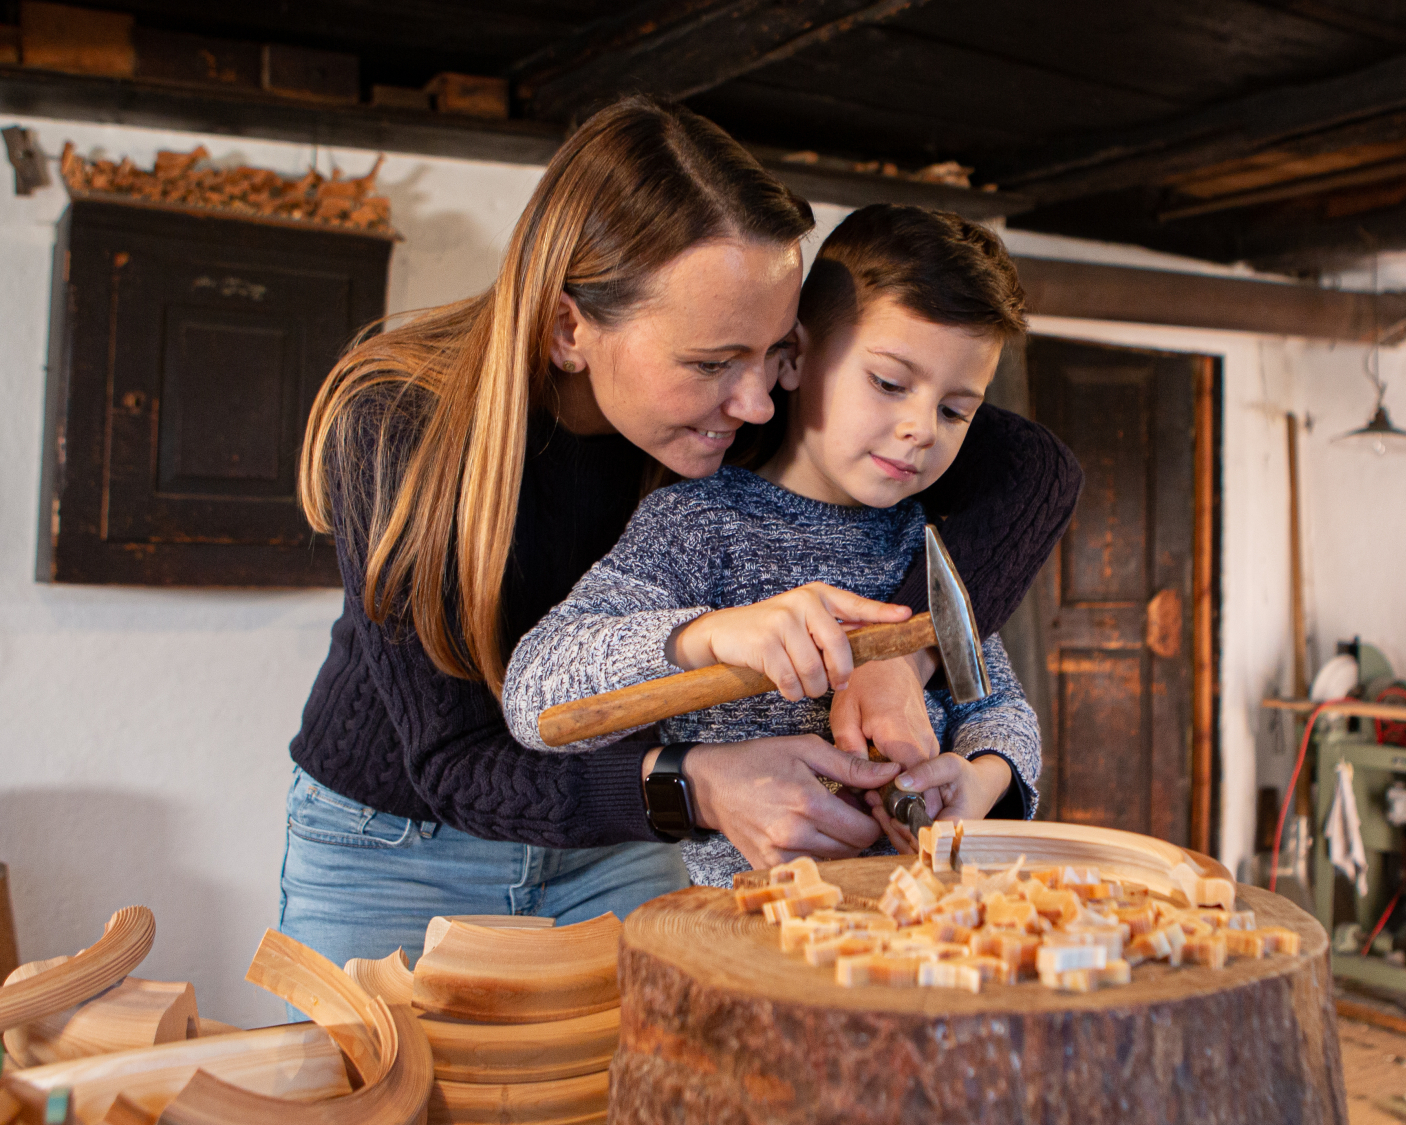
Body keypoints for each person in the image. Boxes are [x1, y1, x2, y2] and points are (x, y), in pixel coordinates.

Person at [279, 98, 1079, 967]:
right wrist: (694, 782)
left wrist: (900, 656)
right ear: (568, 327)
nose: (757, 403)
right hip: (401, 845)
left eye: (777, 353)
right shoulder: (400, 425)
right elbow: (462, 760)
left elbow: (1036, 472)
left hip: (629, 841)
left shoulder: (763, 405)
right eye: (710, 363)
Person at [503, 204, 1040, 887]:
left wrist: (980, 778)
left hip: (916, 919)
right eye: (888, 382)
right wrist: (710, 633)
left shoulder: (933, 545)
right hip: (743, 928)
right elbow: (534, 694)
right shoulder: (697, 526)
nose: (920, 428)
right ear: (792, 357)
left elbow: (1000, 710)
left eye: (955, 409)